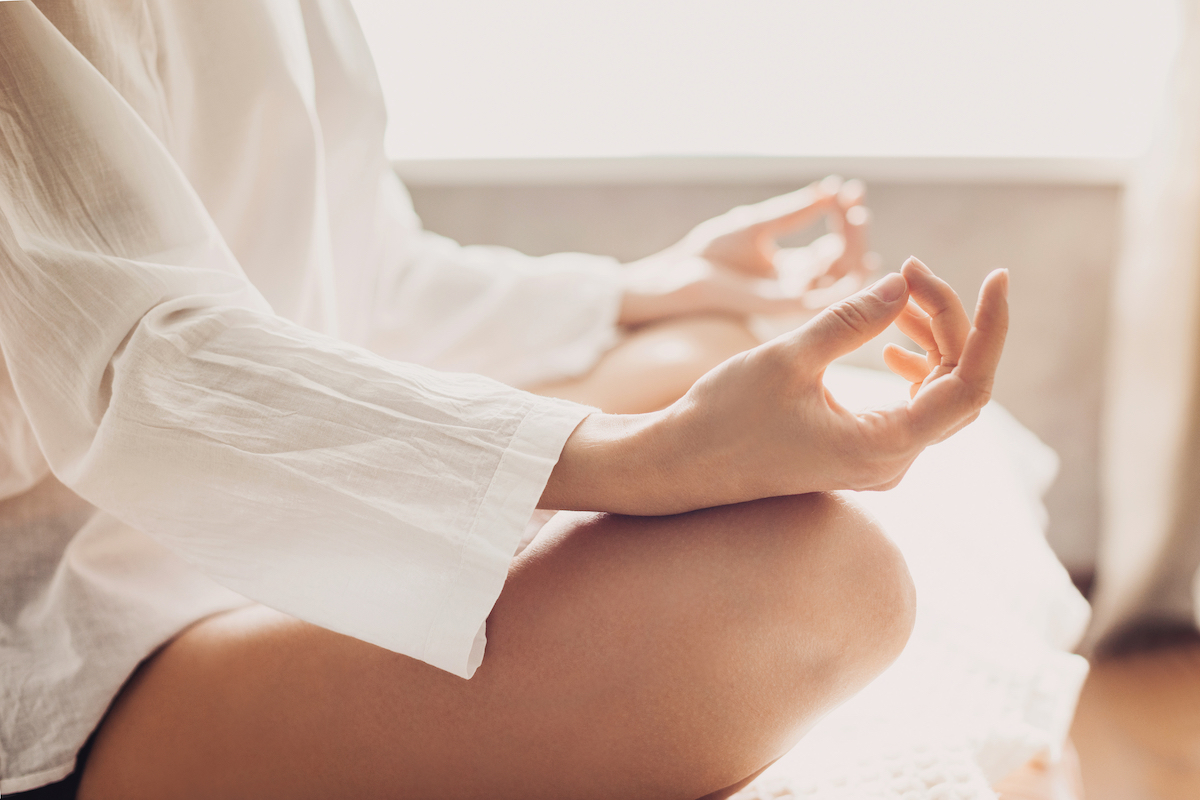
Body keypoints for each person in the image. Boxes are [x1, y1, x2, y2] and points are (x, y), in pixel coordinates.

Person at [0, 2, 1007, 799]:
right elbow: (128, 361)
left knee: (700, 345)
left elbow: (365, 277)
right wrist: (635, 456)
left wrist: (643, 286)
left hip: (253, 489)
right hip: (89, 620)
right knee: (818, 585)